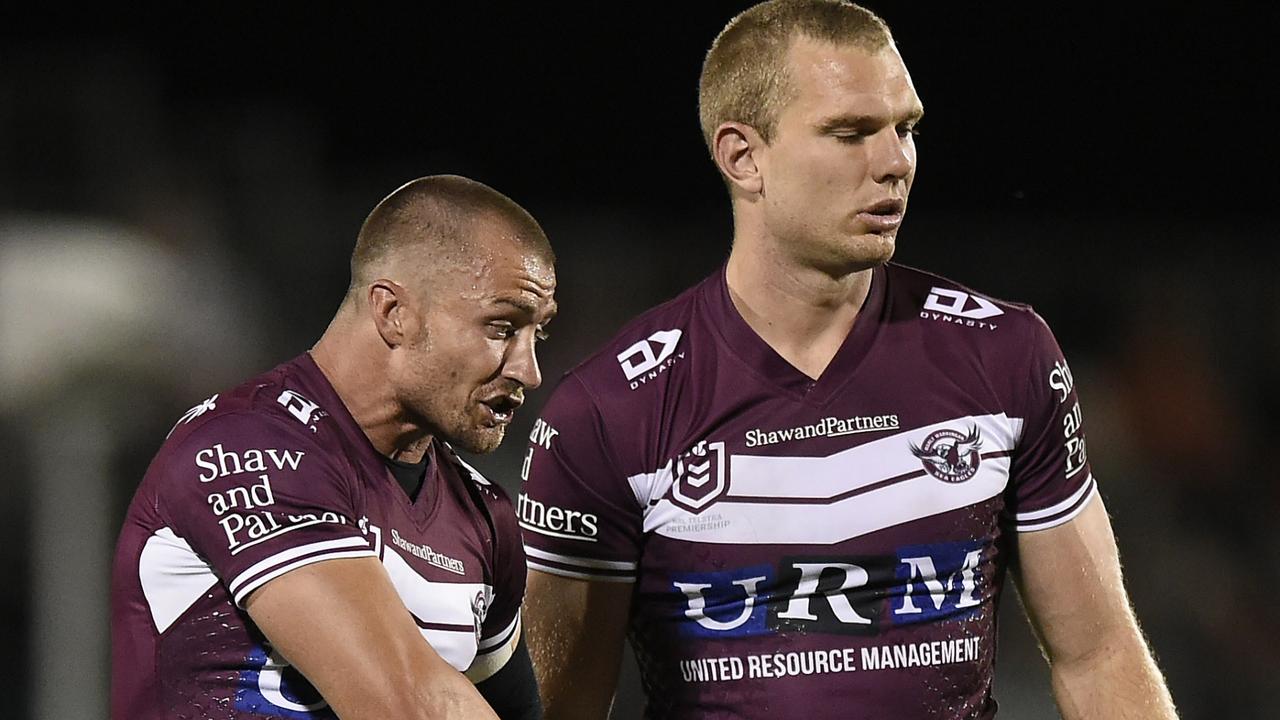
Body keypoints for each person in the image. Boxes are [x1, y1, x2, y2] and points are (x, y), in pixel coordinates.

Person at [518, 2, 1178, 718]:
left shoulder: (1003, 357)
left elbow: (1100, 654)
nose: (895, 163)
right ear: (743, 156)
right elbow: (562, 708)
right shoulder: (613, 409)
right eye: (850, 133)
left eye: (906, 128)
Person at [111, 175, 556, 720]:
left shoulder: (485, 518)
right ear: (394, 313)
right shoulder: (244, 450)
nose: (529, 371)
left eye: (539, 334)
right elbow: (405, 704)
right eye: (502, 327)